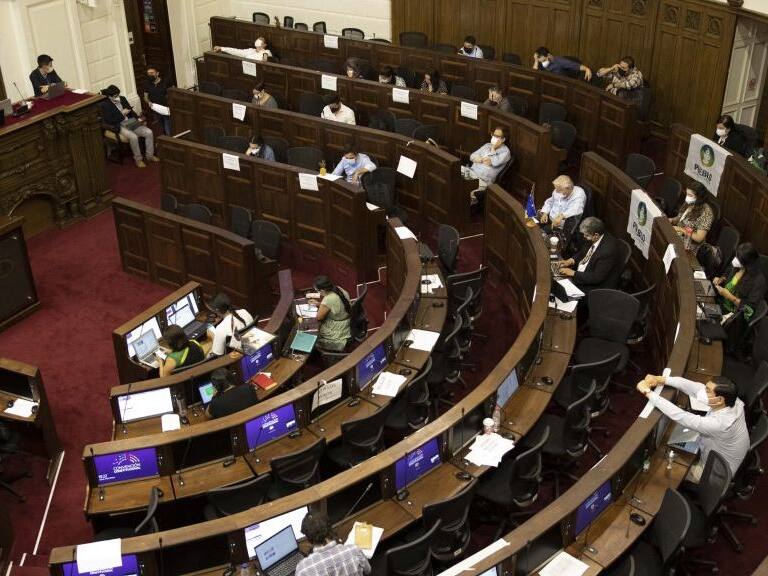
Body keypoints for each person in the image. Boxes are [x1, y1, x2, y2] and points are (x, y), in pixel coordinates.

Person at [636, 374, 749, 483]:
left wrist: (648, 392)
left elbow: (681, 416)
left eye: (707, 391)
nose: (703, 391)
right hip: (717, 453)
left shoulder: (721, 424)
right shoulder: (734, 400)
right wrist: (661, 379)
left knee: (664, 472)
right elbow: (695, 387)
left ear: (719, 400)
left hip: (715, 474)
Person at [713, 242, 767, 353]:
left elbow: (748, 309)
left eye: (738, 258)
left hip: (732, 316)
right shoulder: (737, 267)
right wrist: (721, 279)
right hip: (720, 303)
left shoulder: (758, 281)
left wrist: (729, 296)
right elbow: (727, 273)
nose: (735, 260)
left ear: (748, 263)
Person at [557, 217, 621, 294]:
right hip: (581, 273)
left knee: (562, 292)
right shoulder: (593, 236)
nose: (584, 237)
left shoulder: (607, 252)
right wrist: (570, 261)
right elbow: (583, 252)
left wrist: (573, 273)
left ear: (596, 235)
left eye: (586, 235)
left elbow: (596, 277)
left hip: (593, 287)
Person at [99, 85, 158, 168]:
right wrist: (122, 114)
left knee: (149, 132)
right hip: (119, 124)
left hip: (130, 122)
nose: (118, 97)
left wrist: (138, 119)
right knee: (133, 137)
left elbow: (131, 110)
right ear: (110, 96)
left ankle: (150, 155)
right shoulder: (105, 105)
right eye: (115, 96)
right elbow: (110, 121)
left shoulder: (122, 98)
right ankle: (138, 160)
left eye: (118, 95)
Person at [295, 512, 370, 576]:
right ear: (330, 529)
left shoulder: (302, 570)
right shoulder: (354, 550)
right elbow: (368, 570)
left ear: (309, 539)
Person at [309, 276, 352, 352]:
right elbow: (336, 304)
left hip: (339, 327)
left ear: (322, 290)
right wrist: (319, 304)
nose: (317, 292)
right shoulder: (338, 289)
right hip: (347, 319)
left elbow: (319, 317)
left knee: (315, 331)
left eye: (317, 291)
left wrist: (321, 305)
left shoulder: (328, 299)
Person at [669, 181, 715, 251]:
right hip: (678, 236)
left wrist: (681, 229)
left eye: (690, 195)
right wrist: (672, 220)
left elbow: (699, 238)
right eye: (687, 194)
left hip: (690, 247)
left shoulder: (706, 212)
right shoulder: (689, 203)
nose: (687, 197)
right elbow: (680, 218)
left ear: (699, 197)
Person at [466, 126, 512, 191]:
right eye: (493, 135)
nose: (493, 137)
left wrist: (493, 148)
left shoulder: (506, 152)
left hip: (483, 180)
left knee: (465, 191)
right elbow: (472, 156)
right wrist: (481, 160)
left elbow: (495, 163)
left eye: (497, 136)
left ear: (503, 139)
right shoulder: (487, 145)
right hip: (471, 173)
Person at [143, 67, 172, 135]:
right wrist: (148, 102)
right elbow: (145, 97)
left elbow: (172, 93)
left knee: (168, 126)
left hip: (166, 108)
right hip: (156, 109)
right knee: (160, 126)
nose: (150, 75)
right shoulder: (147, 84)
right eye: (148, 73)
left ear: (157, 73)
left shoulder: (165, 82)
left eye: (152, 73)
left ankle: (169, 139)